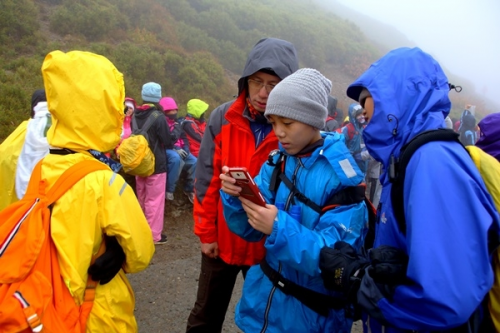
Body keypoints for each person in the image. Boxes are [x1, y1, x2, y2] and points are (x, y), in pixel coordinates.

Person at [324, 47, 499, 332]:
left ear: (395, 96)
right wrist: (369, 263)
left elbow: (446, 299)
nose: (360, 109)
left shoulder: (432, 161)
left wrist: (359, 283)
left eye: (367, 98)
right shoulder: (406, 158)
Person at [219, 68, 368, 332]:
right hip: (262, 303)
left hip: (309, 318)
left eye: (287, 123)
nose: (278, 133)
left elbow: (335, 257)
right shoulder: (277, 162)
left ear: (313, 120)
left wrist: (276, 226)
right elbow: (249, 231)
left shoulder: (342, 179)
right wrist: (235, 197)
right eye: (273, 122)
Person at [186, 37, 299, 333]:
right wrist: (205, 233)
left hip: (268, 248)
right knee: (205, 316)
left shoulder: (296, 129)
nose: (263, 93)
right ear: (245, 81)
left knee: (268, 321)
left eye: (273, 85)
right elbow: (206, 181)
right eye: (256, 81)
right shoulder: (222, 117)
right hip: (221, 242)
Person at [40, 50, 155, 331]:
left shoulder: (38, 167)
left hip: (43, 305)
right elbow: (141, 253)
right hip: (95, 311)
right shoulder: (104, 182)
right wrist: (117, 251)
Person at [134, 83, 171, 244]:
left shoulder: (134, 115)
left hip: (138, 163)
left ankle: (139, 231)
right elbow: (167, 141)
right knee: (154, 200)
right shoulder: (159, 117)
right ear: (158, 97)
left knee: (141, 197)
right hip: (156, 164)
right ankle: (154, 236)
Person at [159, 96, 197, 203]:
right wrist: (175, 148)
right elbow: (163, 140)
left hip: (180, 148)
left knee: (195, 162)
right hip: (167, 148)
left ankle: (189, 188)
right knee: (176, 160)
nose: (174, 112)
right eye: (171, 110)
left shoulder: (177, 123)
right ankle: (169, 190)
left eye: (175, 110)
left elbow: (183, 137)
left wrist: (186, 148)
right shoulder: (162, 123)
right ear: (165, 111)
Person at [341, 103, 368, 174]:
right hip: (350, 163)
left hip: (363, 163)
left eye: (362, 114)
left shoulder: (365, 128)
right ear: (353, 116)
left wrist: (364, 153)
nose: (361, 116)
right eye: (359, 115)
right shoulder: (347, 129)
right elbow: (341, 145)